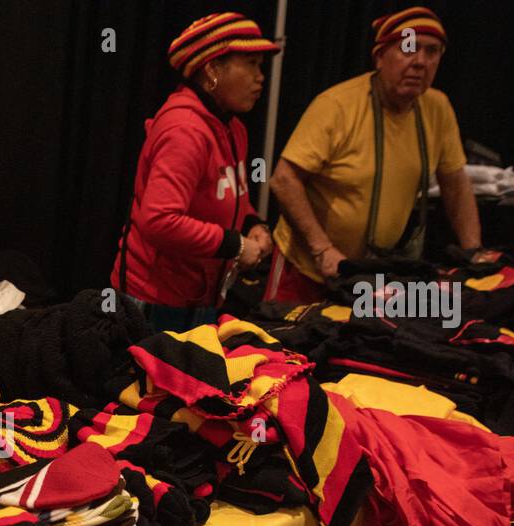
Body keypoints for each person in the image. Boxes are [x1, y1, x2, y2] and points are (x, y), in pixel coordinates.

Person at [266, 5, 483, 303]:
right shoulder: (336, 105)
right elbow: (283, 180)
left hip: (374, 277)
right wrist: (322, 249)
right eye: (408, 48)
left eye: (432, 51)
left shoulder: (437, 107)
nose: (420, 61)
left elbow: (456, 183)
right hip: (308, 269)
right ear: (380, 56)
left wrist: (473, 253)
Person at [111, 12, 280, 332]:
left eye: (262, 67)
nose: (261, 78)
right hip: (154, 302)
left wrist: (252, 222)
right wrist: (237, 246)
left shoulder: (234, 128)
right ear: (212, 69)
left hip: (200, 298)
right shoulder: (184, 130)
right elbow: (159, 221)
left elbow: (229, 196)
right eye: (252, 65)